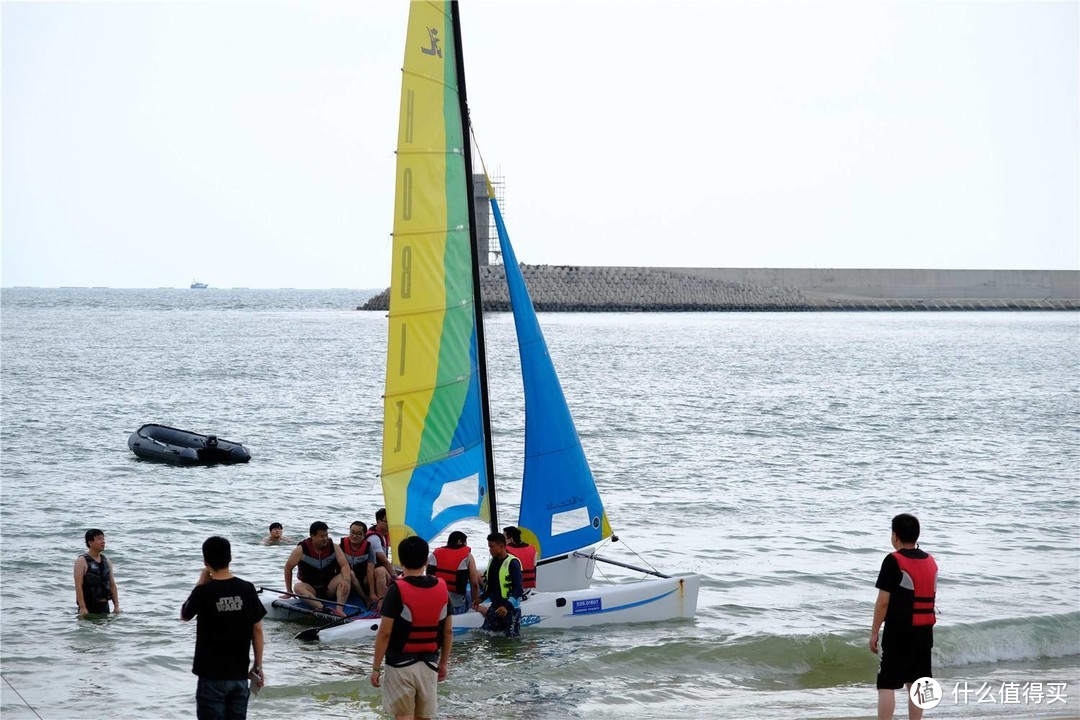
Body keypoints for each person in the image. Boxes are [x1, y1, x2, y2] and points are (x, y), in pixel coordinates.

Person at [181, 536, 266, 720]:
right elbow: (257, 630)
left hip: (211, 676)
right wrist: (258, 665)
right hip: (239, 675)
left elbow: (185, 615)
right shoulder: (247, 589)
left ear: (205, 561)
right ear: (230, 557)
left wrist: (200, 582)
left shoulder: (203, 591)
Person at [371, 535, 452, 720]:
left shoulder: (396, 589)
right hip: (429, 664)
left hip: (399, 665)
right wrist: (444, 663)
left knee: (403, 716)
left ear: (400, 560)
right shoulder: (442, 588)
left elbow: (384, 633)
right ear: (426, 560)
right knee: (424, 717)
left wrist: (376, 668)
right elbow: (447, 631)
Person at [869, 513, 938, 720]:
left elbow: (883, 602)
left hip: (899, 632)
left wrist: (874, 633)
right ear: (916, 536)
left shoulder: (893, 560)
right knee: (917, 683)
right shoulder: (930, 561)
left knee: (886, 684)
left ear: (895, 536)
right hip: (924, 632)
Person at [282, 521, 351, 617]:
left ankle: (339, 609)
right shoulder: (301, 549)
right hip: (311, 589)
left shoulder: (334, 547)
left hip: (329, 588)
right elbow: (288, 568)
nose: (325, 539)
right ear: (312, 536)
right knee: (298, 587)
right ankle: (322, 608)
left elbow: (344, 565)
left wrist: (346, 580)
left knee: (347, 575)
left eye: (326, 535)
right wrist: (289, 591)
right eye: (322, 536)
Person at [472, 532, 524, 637]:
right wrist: (480, 599)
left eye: (492, 547)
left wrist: (506, 606)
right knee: (484, 634)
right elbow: (490, 587)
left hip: (511, 609)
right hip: (495, 608)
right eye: (489, 547)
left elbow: (518, 589)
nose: (490, 550)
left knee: (511, 640)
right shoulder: (492, 562)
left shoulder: (513, 563)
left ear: (501, 546)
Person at [428, 531, 481, 614]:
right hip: (457, 606)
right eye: (465, 543)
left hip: (435, 603)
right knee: (480, 594)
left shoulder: (433, 555)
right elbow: (474, 584)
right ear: (460, 542)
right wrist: (476, 603)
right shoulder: (468, 557)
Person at [340, 520, 391, 608]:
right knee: (350, 573)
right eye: (352, 532)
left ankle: (381, 602)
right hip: (348, 580)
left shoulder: (369, 549)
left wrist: (372, 592)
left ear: (364, 536)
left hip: (363, 581)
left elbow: (370, 571)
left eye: (359, 534)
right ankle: (365, 599)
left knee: (380, 570)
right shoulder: (341, 546)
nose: (354, 536)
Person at [74, 529, 120, 616]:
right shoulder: (82, 561)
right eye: (99, 539)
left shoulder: (107, 561)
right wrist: (83, 607)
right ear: (90, 542)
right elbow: (78, 585)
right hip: (88, 606)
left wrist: (116, 606)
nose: (103, 542)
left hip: (104, 606)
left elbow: (112, 585)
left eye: (103, 539)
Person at [502, 526, 537, 592]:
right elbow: (534, 568)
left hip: (513, 590)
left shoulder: (506, 551)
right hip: (528, 588)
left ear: (511, 539)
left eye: (503, 539)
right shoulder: (532, 548)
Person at [366, 510, 396, 579]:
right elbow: (384, 561)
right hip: (371, 574)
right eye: (387, 522)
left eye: (391, 521)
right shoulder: (373, 538)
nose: (390, 524)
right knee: (381, 571)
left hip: (383, 569)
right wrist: (395, 578)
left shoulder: (385, 534)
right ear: (379, 521)